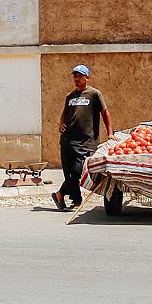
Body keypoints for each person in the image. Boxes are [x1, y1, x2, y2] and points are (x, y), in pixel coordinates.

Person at [52, 64, 113, 211]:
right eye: (75, 76)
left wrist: (110, 133)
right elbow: (64, 112)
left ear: (86, 77)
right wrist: (60, 123)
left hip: (86, 142)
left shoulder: (94, 94)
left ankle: (60, 194)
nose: (77, 78)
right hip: (67, 140)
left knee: (77, 171)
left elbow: (105, 113)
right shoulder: (70, 96)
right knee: (69, 174)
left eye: (80, 76)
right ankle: (76, 201)